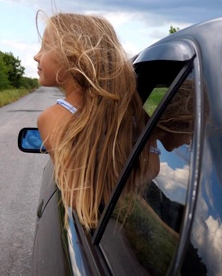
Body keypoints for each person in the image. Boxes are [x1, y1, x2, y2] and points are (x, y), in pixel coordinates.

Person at [33, 12, 150, 230]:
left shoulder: (52, 118)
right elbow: (151, 169)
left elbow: (76, 201)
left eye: (45, 46)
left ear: (74, 55)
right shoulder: (133, 114)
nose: (36, 56)